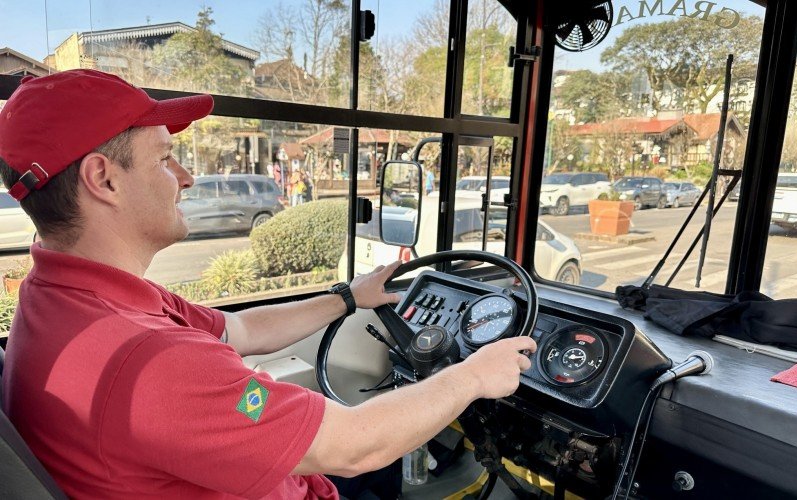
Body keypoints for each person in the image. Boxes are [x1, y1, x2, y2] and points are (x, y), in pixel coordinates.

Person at [0, 69, 536, 499]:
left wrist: (350, 296)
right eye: (165, 159)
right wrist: (473, 376)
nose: (186, 178)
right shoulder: (149, 360)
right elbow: (355, 446)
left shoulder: (65, 295)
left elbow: (240, 328)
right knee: (387, 464)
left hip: (278, 475)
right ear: (104, 179)